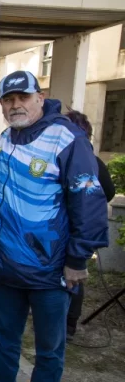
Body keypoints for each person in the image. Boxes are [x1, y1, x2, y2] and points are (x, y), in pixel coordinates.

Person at [0, 71, 109, 382]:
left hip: (50, 273)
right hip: (4, 269)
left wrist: (77, 259)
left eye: (22, 98)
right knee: (5, 342)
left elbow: (89, 202)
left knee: (49, 350)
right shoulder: (5, 140)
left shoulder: (68, 139)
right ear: (1, 105)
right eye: (8, 100)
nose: (15, 105)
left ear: (39, 97)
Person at [62, 110, 117, 339]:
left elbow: (108, 192)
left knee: (74, 276)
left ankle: (69, 325)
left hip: (79, 231)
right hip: (61, 229)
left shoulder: (89, 161)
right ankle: (64, 322)